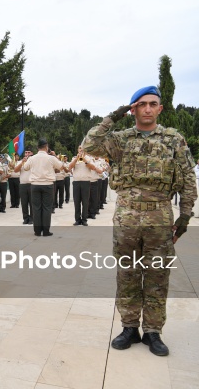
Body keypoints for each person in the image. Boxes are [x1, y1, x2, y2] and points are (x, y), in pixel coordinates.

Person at [82, 85, 197, 357]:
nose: (147, 108)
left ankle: (154, 331)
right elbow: (88, 145)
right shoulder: (120, 139)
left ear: (160, 108)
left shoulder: (173, 139)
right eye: (141, 104)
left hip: (160, 215)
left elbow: (188, 178)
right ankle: (129, 326)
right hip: (127, 215)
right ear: (133, 109)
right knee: (128, 273)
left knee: (158, 274)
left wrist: (185, 217)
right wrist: (114, 116)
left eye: (152, 104)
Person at [23, 139, 63, 236]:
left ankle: (37, 231)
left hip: (35, 185)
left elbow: (25, 167)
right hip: (48, 185)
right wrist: (54, 156)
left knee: (36, 208)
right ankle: (46, 231)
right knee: (47, 208)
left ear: (37, 147)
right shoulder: (51, 158)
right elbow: (61, 166)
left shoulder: (32, 158)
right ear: (46, 147)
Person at [67, 146, 96, 226]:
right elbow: (69, 167)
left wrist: (85, 160)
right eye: (79, 148)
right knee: (76, 202)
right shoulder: (74, 158)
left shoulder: (89, 158)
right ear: (77, 150)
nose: (81, 149)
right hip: (76, 182)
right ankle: (77, 219)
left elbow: (93, 167)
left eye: (82, 148)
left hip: (85, 182)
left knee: (85, 202)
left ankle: (84, 219)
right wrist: (77, 159)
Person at [14, 149, 34, 224]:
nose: (27, 154)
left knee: (32, 202)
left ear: (32, 153)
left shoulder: (33, 161)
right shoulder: (20, 162)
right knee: (24, 202)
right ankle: (25, 218)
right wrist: (22, 162)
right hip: (23, 184)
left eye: (29, 152)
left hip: (32, 184)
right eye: (26, 152)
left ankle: (32, 218)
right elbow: (15, 170)